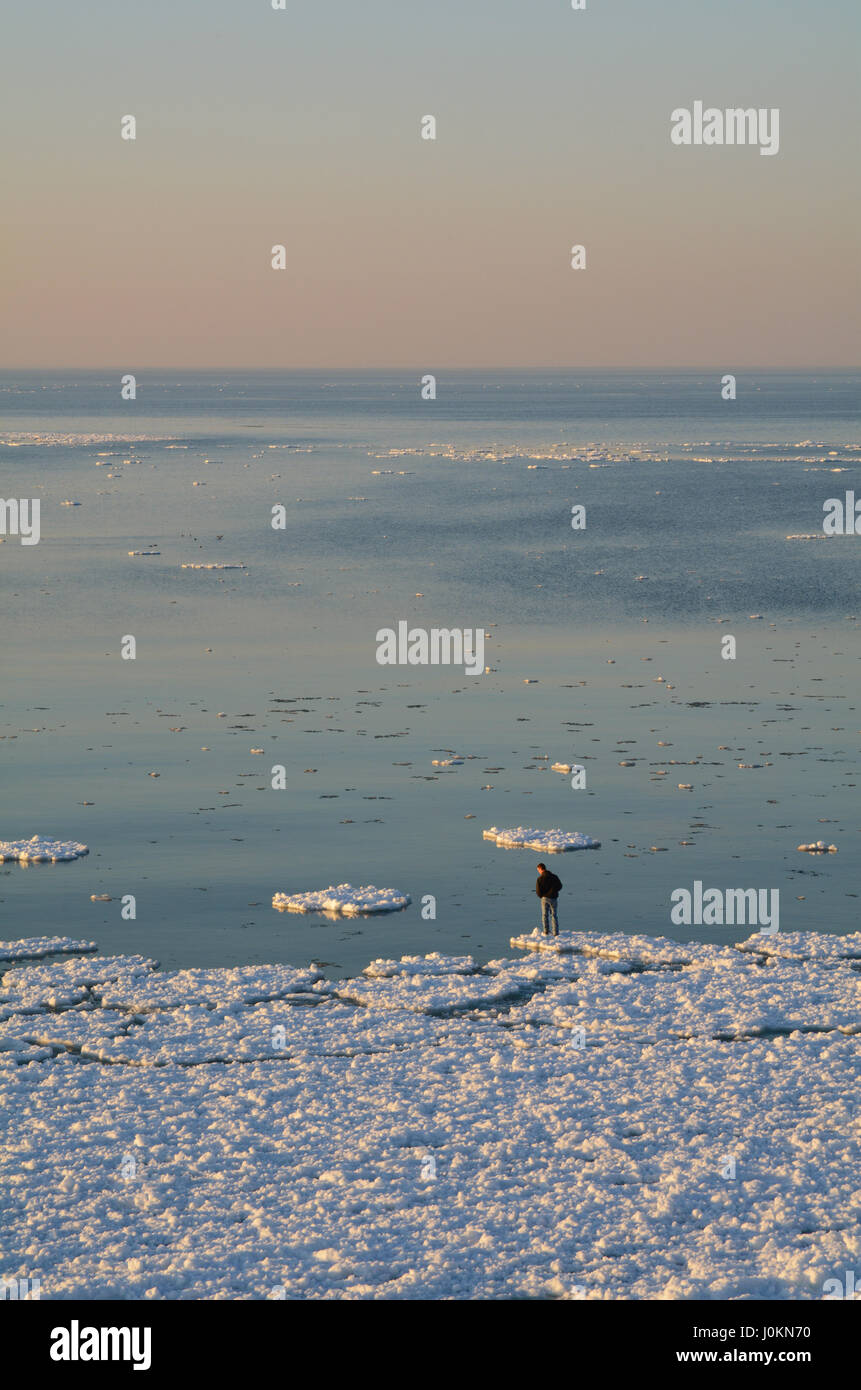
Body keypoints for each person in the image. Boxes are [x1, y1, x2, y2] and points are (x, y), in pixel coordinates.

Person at [535, 862, 563, 936]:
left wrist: (542, 896)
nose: (538, 872)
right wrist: (553, 892)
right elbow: (560, 886)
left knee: (545, 915)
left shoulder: (540, 879)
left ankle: (546, 931)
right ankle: (555, 933)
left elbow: (538, 891)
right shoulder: (554, 877)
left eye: (538, 870)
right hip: (553, 898)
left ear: (540, 869)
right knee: (554, 915)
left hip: (544, 899)